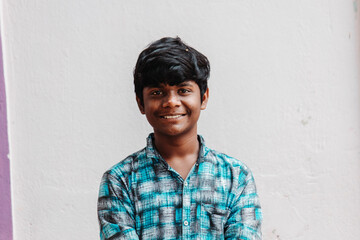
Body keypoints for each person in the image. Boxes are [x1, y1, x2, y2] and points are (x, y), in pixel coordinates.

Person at [97, 37, 262, 239]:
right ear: (141, 102)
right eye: (157, 92)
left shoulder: (236, 177)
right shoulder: (119, 180)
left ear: (204, 97)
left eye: (183, 90)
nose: (171, 102)